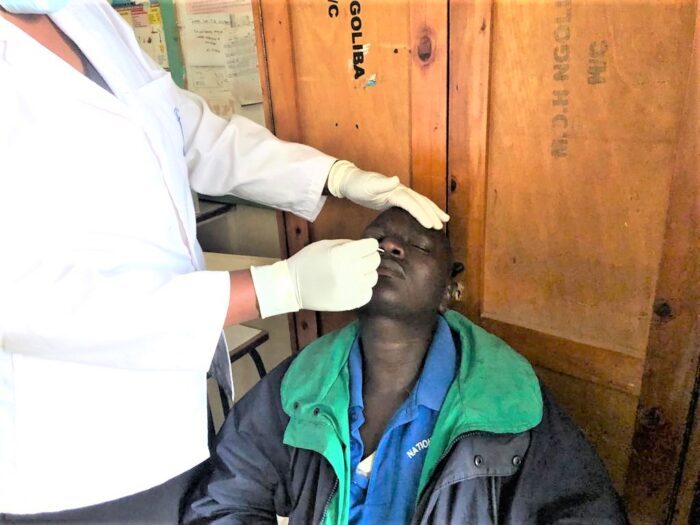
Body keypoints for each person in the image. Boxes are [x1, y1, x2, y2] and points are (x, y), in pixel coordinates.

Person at [0, 0, 449, 521]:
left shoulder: (83, 13)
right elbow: (26, 303)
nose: (392, 249)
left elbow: (187, 130)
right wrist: (275, 289)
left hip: (178, 417)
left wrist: (331, 176)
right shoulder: (301, 395)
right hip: (73, 450)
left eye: (416, 247)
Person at [185, 207, 628, 525]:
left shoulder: (505, 398)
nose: (391, 247)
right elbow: (224, 500)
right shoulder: (303, 385)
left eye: (418, 246)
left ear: (448, 292)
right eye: (376, 240)